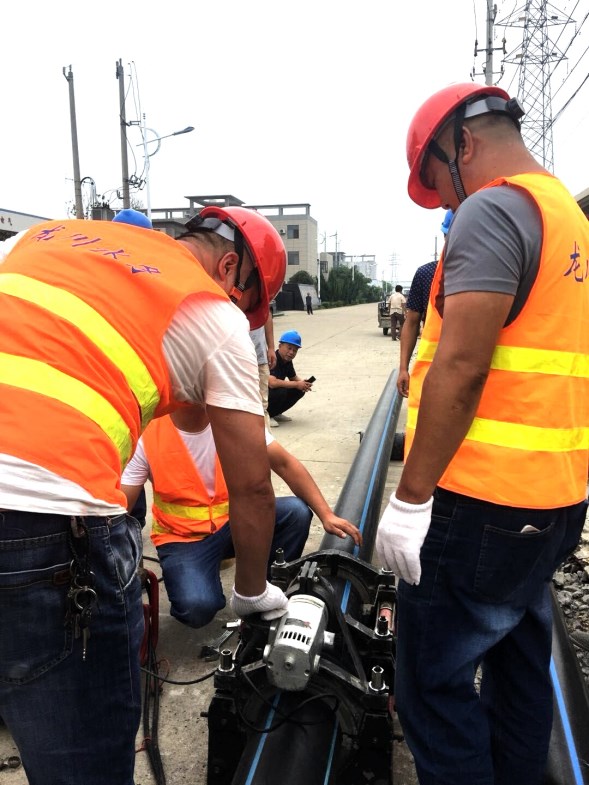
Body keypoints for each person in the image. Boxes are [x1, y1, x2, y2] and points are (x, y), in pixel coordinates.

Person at [0, 205, 289, 785]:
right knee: (84, 764)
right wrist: (252, 593)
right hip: (44, 525)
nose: (239, 313)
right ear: (228, 269)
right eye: (244, 302)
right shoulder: (211, 311)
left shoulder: (35, 239)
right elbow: (254, 485)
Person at [375, 82, 589, 785]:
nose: (445, 202)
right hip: (553, 499)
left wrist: (409, 500)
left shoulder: (493, 208)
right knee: (519, 665)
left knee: (431, 688)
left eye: (438, 183)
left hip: (477, 505)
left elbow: (462, 366)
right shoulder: (567, 219)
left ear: (461, 144)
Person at [121, 405, 361, 628]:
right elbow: (122, 504)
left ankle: (263, 588)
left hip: (235, 523)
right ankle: (199, 580)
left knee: (295, 513)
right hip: (183, 538)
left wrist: (326, 514)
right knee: (197, 607)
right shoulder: (148, 432)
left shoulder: (232, 420)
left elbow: (285, 464)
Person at [397, 209, 453, 397]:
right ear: (445, 236)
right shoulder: (426, 274)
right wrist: (403, 368)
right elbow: (411, 322)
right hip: (431, 370)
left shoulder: (486, 276)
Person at [268, 329, 313, 424]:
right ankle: (267, 415)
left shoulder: (287, 361)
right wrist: (297, 384)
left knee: (299, 390)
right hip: (260, 395)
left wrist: (304, 384)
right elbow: (272, 383)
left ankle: (276, 413)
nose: (291, 352)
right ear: (280, 346)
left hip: (272, 392)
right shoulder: (273, 358)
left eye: (295, 350)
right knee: (280, 391)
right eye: (289, 348)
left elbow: (293, 377)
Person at [250, 312, 276, 429]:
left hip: (260, 357)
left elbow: (266, 314)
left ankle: (265, 436)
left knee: (262, 404)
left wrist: (271, 347)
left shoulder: (260, 299)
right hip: (236, 357)